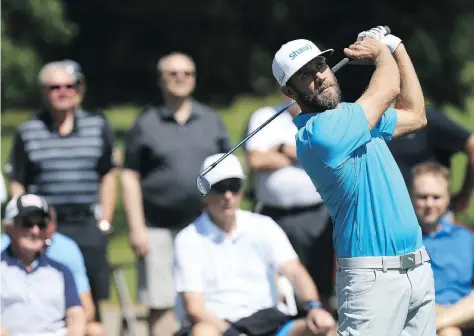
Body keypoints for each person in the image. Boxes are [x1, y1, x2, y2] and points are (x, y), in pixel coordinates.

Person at [272, 26, 434, 335]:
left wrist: (397, 47)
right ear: (290, 92)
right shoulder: (319, 134)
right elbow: (386, 89)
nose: (319, 76)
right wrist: (381, 51)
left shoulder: (355, 116)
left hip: (417, 268)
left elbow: (415, 114)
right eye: (305, 75)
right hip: (372, 278)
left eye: (320, 65)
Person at [121, 51, 231, 336]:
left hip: (205, 227)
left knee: (207, 298)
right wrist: (136, 228)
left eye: (187, 73)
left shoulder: (211, 120)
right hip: (157, 227)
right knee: (160, 302)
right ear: (160, 80)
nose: (180, 78)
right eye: (173, 73)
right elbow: (130, 176)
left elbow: (228, 172)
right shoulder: (145, 122)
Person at [174, 153, 336, 336]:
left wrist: (314, 307)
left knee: (323, 326)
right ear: (205, 194)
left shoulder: (263, 225)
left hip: (269, 323)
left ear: (241, 191)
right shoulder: (188, 239)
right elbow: (194, 308)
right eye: (219, 188)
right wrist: (232, 334)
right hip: (219, 327)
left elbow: (295, 271)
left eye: (234, 186)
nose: (228, 196)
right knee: (203, 333)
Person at [4, 60, 117, 322]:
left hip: (86, 222)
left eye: (69, 85)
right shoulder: (29, 131)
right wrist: (20, 221)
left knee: (91, 302)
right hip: (41, 226)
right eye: (54, 87)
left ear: (80, 89)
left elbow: (108, 176)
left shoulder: (97, 126)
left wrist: (105, 221)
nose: (62, 92)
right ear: (44, 92)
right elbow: (18, 180)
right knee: (43, 293)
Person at [245, 95, 335, 310]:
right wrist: (302, 155)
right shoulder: (264, 116)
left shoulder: (324, 118)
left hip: (317, 214)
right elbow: (256, 160)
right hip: (273, 215)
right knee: (278, 279)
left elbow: (328, 158)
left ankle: (318, 324)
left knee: (318, 281)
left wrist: (283, 149)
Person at [1, 199, 106, 336]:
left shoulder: (61, 271)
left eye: (41, 223)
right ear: (10, 227)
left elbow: (77, 313)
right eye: (27, 223)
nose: (35, 230)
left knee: (96, 331)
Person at [410, 162, 474, 336]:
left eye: (436, 197)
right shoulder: (403, 241)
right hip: (420, 310)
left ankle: (437, 324)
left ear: (447, 198)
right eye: (422, 197)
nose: (429, 204)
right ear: (411, 197)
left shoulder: (466, 238)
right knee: (450, 332)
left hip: (463, 311)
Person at [388, 107, 474, 215]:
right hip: (390, 209)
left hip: (431, 209)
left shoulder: (427, 119)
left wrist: (465, 194)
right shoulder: (375, 120)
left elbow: (472, 143)